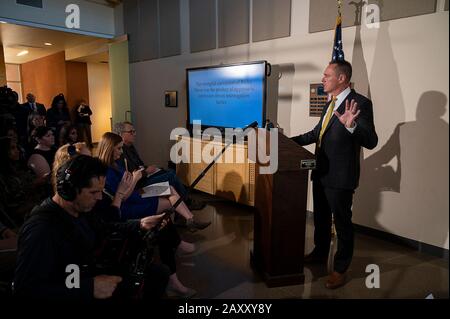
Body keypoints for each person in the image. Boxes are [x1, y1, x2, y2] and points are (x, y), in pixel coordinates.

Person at [13, 155, 170, 299]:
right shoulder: (42, 230)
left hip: (85, 273)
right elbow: (25, 290)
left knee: (158, 274)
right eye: (93, 192)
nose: (99, 197)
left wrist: (140, 224)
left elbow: (104, 228)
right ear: (69, 191)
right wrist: (89, 288)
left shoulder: (81, 210)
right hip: (73, 287)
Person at [292, 60, 378, 289]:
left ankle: (340, 269)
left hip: (341, 177)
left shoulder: (361, 103)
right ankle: (320, 254)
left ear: (341, 78)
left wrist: (352, 126)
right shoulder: (328, 104)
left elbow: (371, 141)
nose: (322, 79)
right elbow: (316, 133)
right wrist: (286, 142)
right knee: (320, 219)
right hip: (320, 172)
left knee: (342, 224)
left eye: (326, 75)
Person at [97, 132, 210, 232]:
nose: (121, 152)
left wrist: (134, 176)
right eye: (118, 148)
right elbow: (123, 197)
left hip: (136, 192)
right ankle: (187, 222)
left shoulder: (115, 164)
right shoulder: (106, 171)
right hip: (131, 200)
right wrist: (135, 179)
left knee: (170, 188)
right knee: (171, 202)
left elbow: (126, 184)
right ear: (109, 148)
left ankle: (190, 220)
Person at [113, 121, 206, 212]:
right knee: (171, 176)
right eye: (131, 132)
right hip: (138, 186)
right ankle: (187, 203)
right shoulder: (119, 153)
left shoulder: (130, 147)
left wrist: (149, 169)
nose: (134, 134)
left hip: (144, 178)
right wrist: (146, 171)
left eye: (134, 131)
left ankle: (182, 211)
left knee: (169, 171)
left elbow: (139, 165)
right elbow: (130, 175)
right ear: (120, 134)